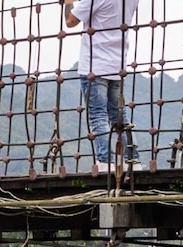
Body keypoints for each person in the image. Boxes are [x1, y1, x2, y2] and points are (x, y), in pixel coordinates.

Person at [63, 0, 139, 173]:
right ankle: (133, 160)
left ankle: (106, 162)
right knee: (119, 116)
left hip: (94, 65)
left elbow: (70, 21)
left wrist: (68, 2)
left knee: (98, 116)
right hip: (117, 63)